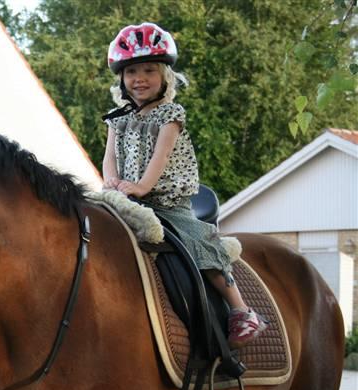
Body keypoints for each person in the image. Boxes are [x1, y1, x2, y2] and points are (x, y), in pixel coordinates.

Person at [101, 22, 266, 348]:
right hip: (128, 198)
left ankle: (241, 310)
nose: (140, 78)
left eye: (149, 70)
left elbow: (160, 158)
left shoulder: (170, 115)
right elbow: (109, 157)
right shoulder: (117, 119)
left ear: (165, 76)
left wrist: (140, 187)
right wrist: (110, 182)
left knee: (196, 240)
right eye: (132, 71)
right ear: (121, 78)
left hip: (165, 201)